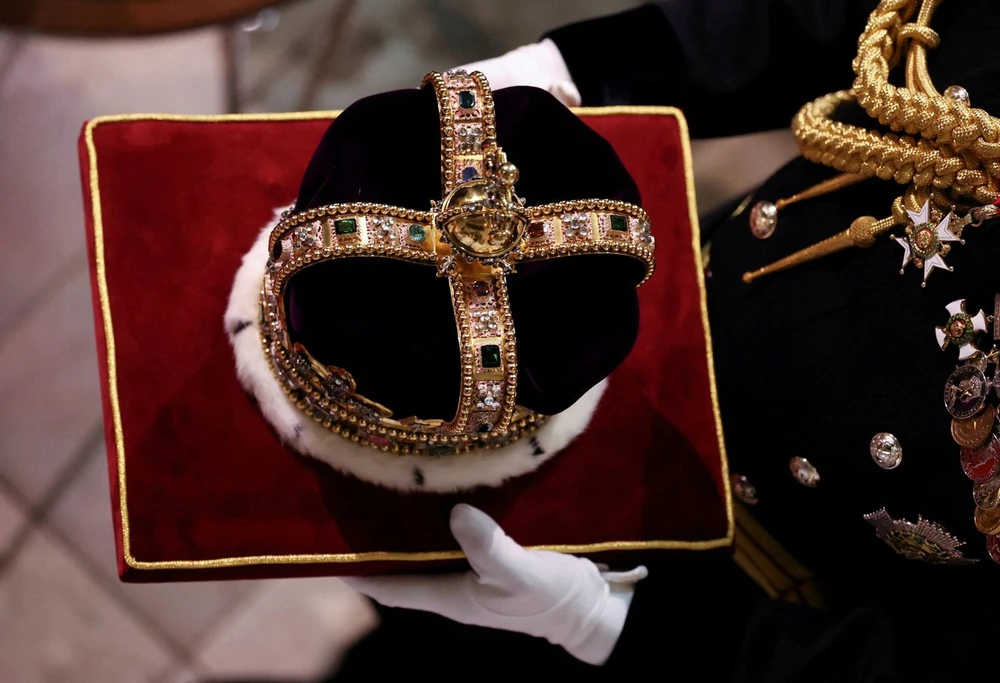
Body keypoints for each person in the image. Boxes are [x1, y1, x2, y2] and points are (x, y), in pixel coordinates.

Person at [326, 1, 1000, 681]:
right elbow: (860, 19)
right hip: (654, 305)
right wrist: (581, 67)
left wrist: (620, 624)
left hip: (735, 600)